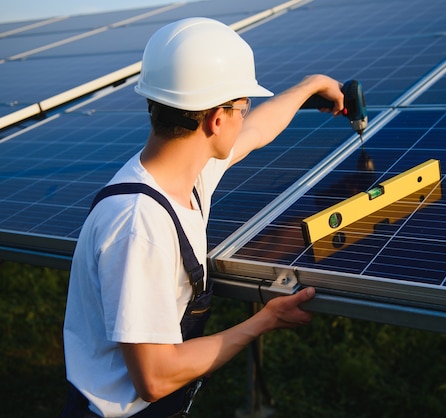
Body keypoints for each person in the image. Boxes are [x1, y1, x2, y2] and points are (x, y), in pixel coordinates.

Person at [61, 17, 344, 417]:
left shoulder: (183, 173)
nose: (246, 116)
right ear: (215, 120)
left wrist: (311, 85)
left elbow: (257, 132)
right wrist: (262, 321)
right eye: (242, 108)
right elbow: (154, 377)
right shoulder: (139, 225)